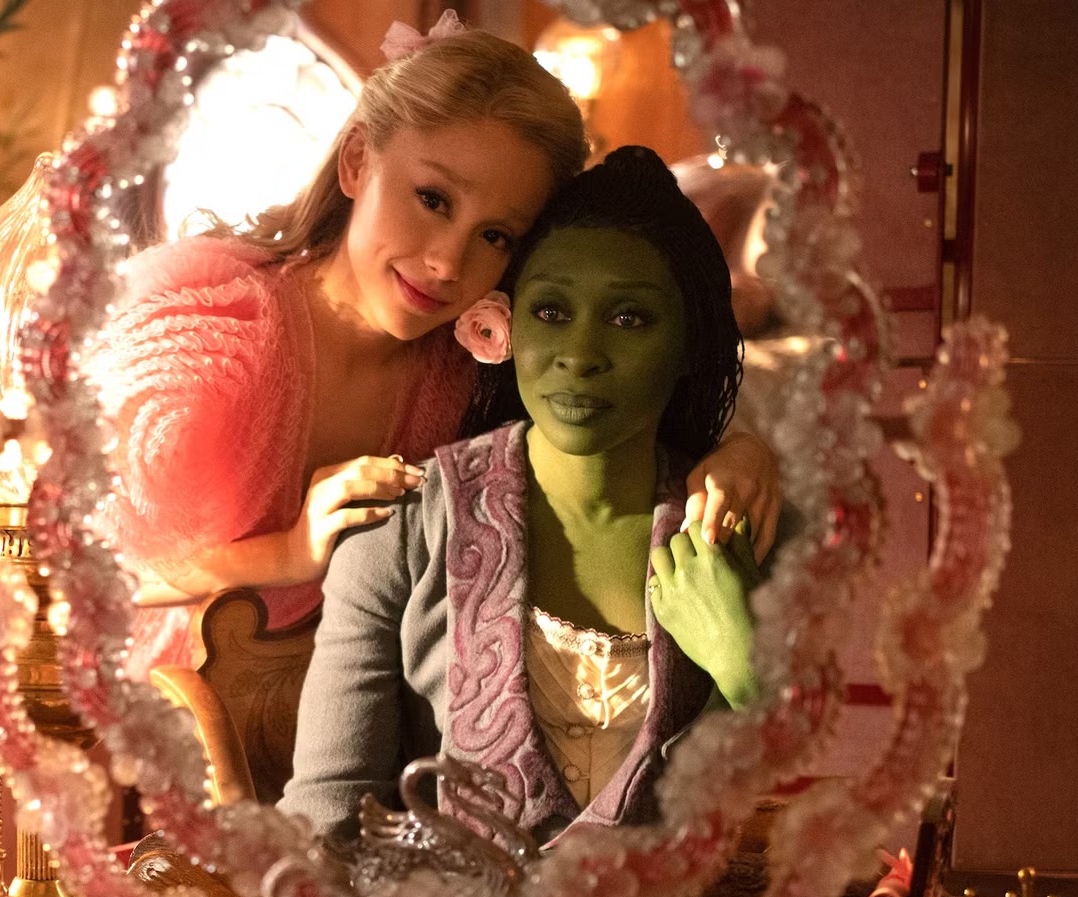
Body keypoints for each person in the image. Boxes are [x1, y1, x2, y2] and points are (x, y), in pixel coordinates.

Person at [90, 13, 779, 672]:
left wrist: (740, 455)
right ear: (357, 161)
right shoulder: (207, 336)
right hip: (160, 704)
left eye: (495, 235)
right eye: (433, 199)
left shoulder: (471, 363)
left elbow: (626, 432)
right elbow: (81, 565)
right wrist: (288, 551)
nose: (448, 263)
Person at [278, 146, 761, 845]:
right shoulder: (400, 528)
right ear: (503, 325)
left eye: (629, 319)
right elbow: (326, 823)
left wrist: (747, 673)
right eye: (551, 311)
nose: (580, 355)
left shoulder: (739, 527)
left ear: (690, 342)